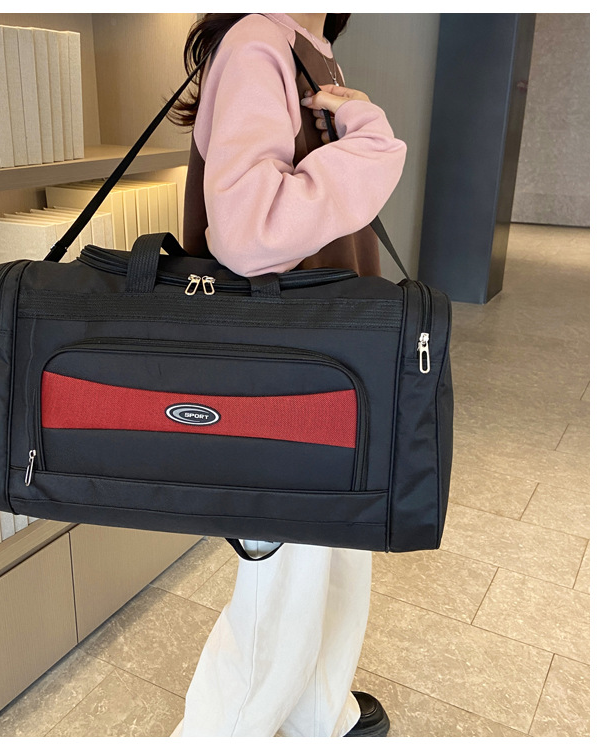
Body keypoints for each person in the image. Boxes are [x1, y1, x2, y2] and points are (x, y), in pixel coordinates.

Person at [167, 13, 407, 737]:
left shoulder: (306, 48)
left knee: (331, 550)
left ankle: (317, 712)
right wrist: (369, 139)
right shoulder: (257, 43)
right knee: (285, 577)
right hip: (290, 369)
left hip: (324, 356)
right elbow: (249, 232)